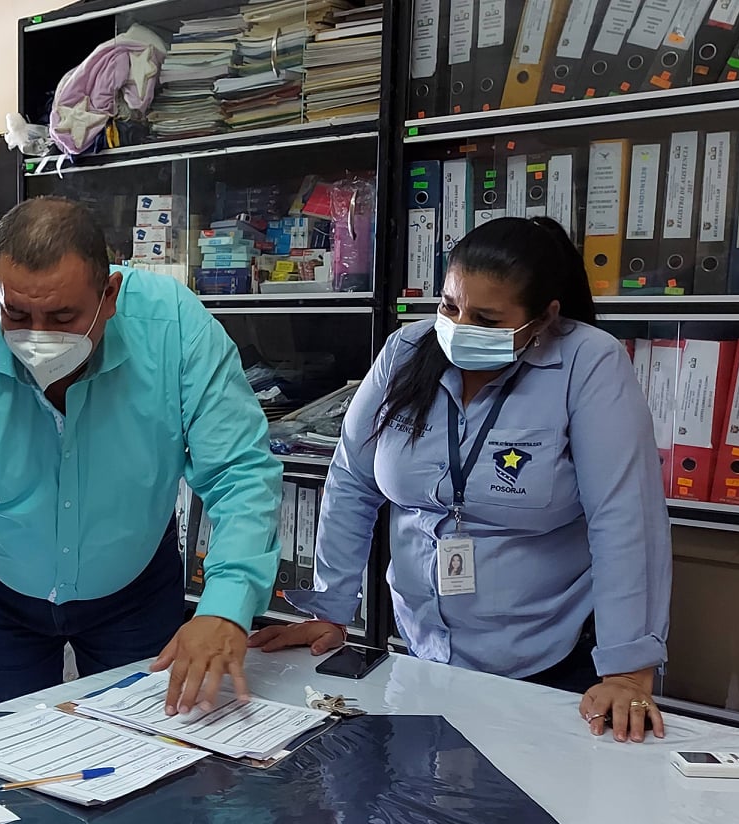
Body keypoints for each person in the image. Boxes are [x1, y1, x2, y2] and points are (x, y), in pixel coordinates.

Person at [249, 217, 672, 744]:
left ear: (543, 317)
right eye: (450, 307)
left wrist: (627, 671)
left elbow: (625, 518)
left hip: (546, 659)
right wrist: (332, 606)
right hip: (421, 652)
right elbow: (352, 479)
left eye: (487, 319)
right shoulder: (407, 351)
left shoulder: (588, 362)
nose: (459, 327)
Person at [0, 196, 282, 732]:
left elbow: (239, 474)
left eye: (63, 317)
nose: (37, 336)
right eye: (15, 314)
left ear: (110, 294)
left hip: (133, 589)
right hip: (0, 593)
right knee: (7, 750)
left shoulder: (174, 327)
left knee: (149, 749)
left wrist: (224, 607)